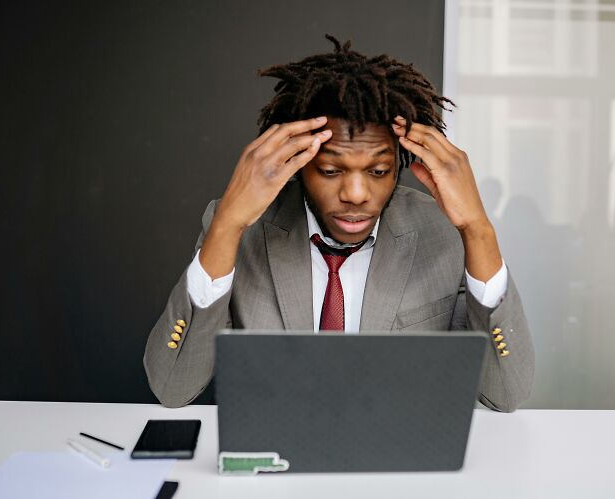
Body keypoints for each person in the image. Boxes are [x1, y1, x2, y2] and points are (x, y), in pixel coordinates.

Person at [144, 35, 534, 411]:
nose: (356, 193)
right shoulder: (240, 227)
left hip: (397, 459)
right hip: (278, 461)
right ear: (300, 162)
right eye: (331, 170)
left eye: (379, 170)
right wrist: (227, 226)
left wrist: (478, 230)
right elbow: (172, 387)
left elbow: (506, 393)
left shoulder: (442, 230)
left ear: (399, 164)